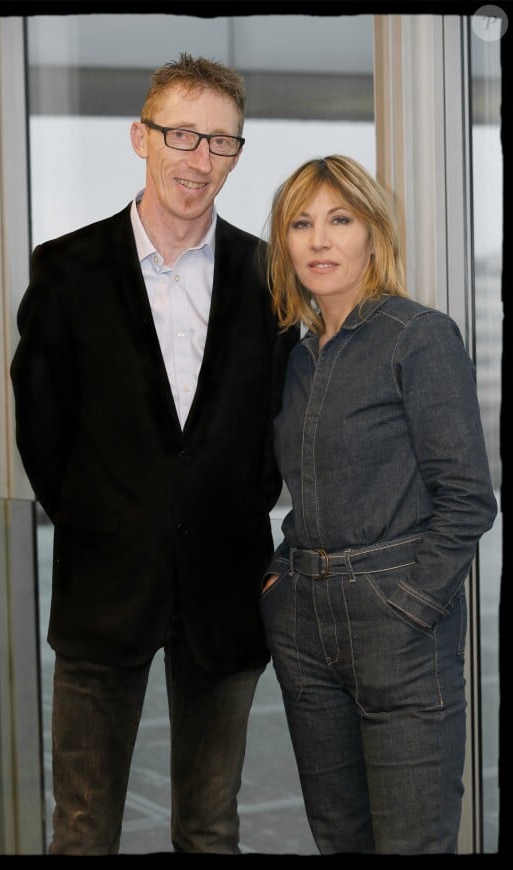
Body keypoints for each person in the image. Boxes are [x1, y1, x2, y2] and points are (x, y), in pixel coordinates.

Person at [10, 53, 297, 855]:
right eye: (182, 135)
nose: (198, 160)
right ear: (142, 136)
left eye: (220, 143)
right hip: (104, 590)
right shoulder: (66, 270)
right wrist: (104, 518)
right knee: (82, 830)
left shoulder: (267, 273)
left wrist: (228, 507)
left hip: (226, 588)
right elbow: (41, 426)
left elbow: (274, 424)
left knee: (210, 829)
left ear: (238, 154)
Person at [259, 155, 498, 855]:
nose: (319, 240)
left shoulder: (417, 336)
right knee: (340, 839)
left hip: (396, 622)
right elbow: (307, 489)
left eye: (340, 219)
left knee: (412, 842)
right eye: (301, 224)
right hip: (306, 622)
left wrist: (414, 607)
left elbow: (468, 499)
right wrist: (280, 579)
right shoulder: (298, 357)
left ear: (373, 233)